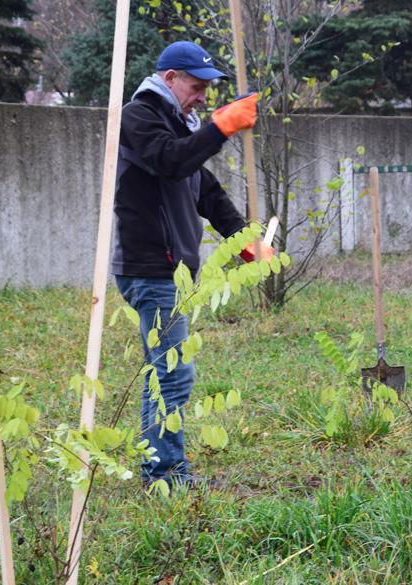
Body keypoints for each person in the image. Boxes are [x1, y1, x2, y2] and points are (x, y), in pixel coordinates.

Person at [111, 41, 272, 487]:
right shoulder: (139, 117)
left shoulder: (179, 123)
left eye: (207, 90)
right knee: (172, 374)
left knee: (165, 371)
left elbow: (208, 193)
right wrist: (222, 127)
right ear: (170, 79)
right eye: (197, 87)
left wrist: (246, 244)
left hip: (171, 270)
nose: (203, 96)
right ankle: (163, 474)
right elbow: (172, 162)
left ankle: (157, 467)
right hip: (149, 267)